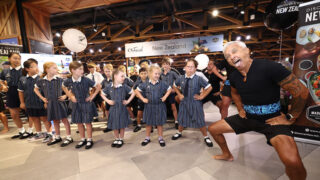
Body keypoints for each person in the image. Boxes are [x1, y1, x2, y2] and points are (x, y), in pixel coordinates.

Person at [208, 41, 308, 180]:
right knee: (213, 129)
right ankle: (227, 154)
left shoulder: (270, 67)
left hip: (272, 120)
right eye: (227, 56)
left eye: (235, 51)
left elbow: (300, 91)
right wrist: (240, 108)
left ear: (247, 51)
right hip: (247, 118)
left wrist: (291, 116)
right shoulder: (234, 76)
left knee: (293, 162)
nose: (231, 56)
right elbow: (235, 93)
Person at [171, 59, 214, 147]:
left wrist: (202, 96)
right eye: (188, 66)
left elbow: (209, 88)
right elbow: (174, 86)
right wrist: (179, 94)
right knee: (182, 119)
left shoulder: (199, 78)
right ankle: (179, 132)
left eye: (192, 67)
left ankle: (206, 137)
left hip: (195, 103)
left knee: (200, 120)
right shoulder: (181, 78)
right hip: (184, 102)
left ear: (195, 68)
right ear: (185, 68)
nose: (190, 69)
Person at [63, 61, 101, 150]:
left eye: (82, 69)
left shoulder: (86, 79)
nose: (82, 71)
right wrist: (70, 96)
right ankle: (82, 139)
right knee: (79, 122)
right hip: (76, 104)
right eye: (80, 69)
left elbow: (98, 86)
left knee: (88, 122)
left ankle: (89, 139)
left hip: (86, 103)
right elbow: (63, 87)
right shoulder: (68, 80)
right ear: (73, 70)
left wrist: (92, 96)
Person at [34, 62, 73, 147]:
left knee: (64, 120)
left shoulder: (60, 80)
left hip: (60, 103)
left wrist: (65, 95)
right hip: (50, 104)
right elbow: (35, 89)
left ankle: (69, 137)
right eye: (54, 68)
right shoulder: (41, 81)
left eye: (56, 68)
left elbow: (70, 87)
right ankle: (58, 137)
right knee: (55, 120)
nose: (57, 69)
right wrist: (43, 98)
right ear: (47, 69)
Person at [135, 64, 171, 147]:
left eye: (159, 74)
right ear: (150, 73)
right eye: (155, 73)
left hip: (159, 106)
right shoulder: (145, 84)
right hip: (149, 106)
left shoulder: (162, 83)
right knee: (148, 123)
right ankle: (147, 138)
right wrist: (143, 99)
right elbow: (136, 91)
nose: (157, 75)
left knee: (159, 124)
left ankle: (160, 138)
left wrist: (165, 96)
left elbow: (169, 89)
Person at [18, 59, 51, 141]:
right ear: (27, 69)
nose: (36, 68)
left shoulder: (42, 78)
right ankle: (39, 133)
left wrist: (46, 102)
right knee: (34, 118)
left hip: (41, 103)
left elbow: (46, 92)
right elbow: (21, 92)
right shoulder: (22, 79)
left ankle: (50, 134)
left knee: (44, 118)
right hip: (29, 103)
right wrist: (22, 102)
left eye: (37, 66)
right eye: (33, 67)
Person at [100, 69, 135, 148]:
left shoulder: (124, 86)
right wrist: (108, 101)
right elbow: (102, 93)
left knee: (122, 125)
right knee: (115, 125)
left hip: (122, 109)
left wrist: (127, 101)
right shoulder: (109, 86)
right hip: (113, 109)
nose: (124, 78)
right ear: (115, 76)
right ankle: (116, 138)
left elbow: (133, 93)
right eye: (122, 76)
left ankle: (121, 139)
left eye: (124, 76)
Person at [0, 52, 27, 139]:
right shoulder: (5, 71)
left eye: (19, 58)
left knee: (30, 113)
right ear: (9, 59)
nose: (17, 60)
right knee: (13, 114)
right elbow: (1, 80)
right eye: (15, 58)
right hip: (11, 92)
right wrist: (3, 85)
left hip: (24, 92)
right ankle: (21, 131)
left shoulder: (24, 70)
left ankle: (33, 131)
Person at [161, 57, 180, 129]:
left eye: (167, 64)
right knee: (161, 108)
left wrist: (175, 89)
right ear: (162, 65)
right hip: (163, 93)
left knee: (173, 107)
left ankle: (176, 121)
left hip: (171, 93)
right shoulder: (160, 74)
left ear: (169, 65)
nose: (165, 66)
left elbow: (180, 81)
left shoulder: (173, 73)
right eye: (164, 64)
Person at [132, 67, 148, 132]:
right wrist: (136, 94)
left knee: (148, 113)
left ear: (148, 74)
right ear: (139, 74)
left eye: (145, 73)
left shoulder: (150, 81)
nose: (143, 75)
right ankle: (138, 125)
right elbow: (133, 88)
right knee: (139, 113)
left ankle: (150, 125)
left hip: (148, 100)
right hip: (140, 100)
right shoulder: (138, 82)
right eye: (142, 73)